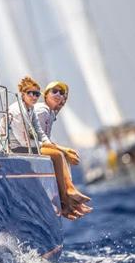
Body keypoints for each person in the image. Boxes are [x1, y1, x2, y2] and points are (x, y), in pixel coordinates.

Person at [34, 81, 92, 220]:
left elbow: (45, 140)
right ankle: (69, 193)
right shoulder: (42, 110)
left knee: (61, 156)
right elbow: (37, 139)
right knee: (58, 155)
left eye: (62, 94)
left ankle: (66, 204)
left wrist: (65, 152)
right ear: (45, 95)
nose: (59, 95)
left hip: (33, 146)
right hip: (27, 146)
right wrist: (64, 150)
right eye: (55, 91)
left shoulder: (51, 114)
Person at [0, 76, 43, 154]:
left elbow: (39, 130)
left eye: (37, 94)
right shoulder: (18, 111)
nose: (35, 97)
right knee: (54, 154)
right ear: (23, 94)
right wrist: (44, 145)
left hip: (17, 147)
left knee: (55, 152)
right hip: (0, 150)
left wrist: (49, 143)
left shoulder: (31, 108)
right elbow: (24, 142)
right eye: (31, 93)